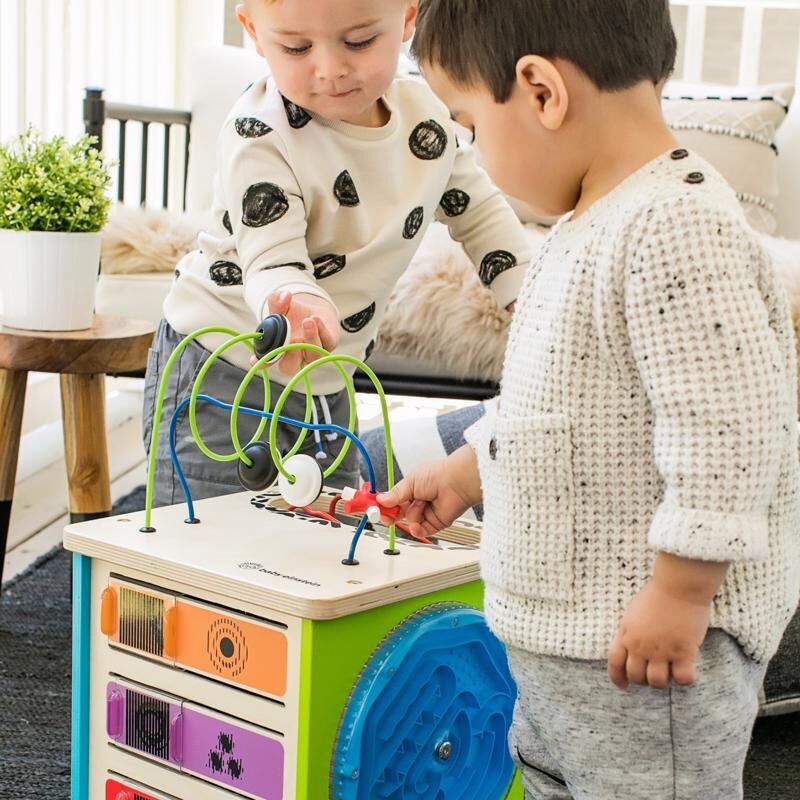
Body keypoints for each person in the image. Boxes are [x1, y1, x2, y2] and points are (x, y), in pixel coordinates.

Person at [377, 1, 800, 797]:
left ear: (542, 92)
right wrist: (469, 472)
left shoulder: (676, 226)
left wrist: (680, 591)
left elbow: (730, 430)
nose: (473, 151)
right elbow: (563, 408)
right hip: (563, 656)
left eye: (470, 125)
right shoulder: (582, 229)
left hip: (648, 665)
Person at [143, 0, 534, 506]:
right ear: (254, 32)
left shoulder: (428, 117)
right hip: (223, 368)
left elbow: (479, 213)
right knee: (208, 529)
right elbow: (270, 256)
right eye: (296, 47)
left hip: (330, 380)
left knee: (325, 528)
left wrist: (530, 295)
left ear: (407, 18)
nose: (330, 69)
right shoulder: (259, 132)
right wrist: (297, 302)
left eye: (359, 41)